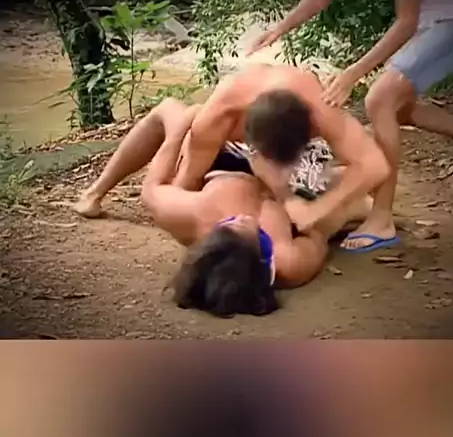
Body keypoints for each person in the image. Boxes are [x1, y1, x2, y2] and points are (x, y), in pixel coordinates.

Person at [73, 99, 371, 318]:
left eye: (229, 223)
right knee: (357, 188)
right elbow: (319, 235)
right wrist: (300, 206)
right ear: (260, 257)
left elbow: (152, 189)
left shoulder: (193, 215)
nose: (241, 217)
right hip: (288, 183)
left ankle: (94, 193)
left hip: (224, 164)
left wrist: (181, 128)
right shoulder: (290, 263)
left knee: (169, 109)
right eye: (243, 226)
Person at [248, 0, 453, 251]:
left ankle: (381, 219)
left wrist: (352, 74)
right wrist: (279, 29)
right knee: (399, 105)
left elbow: (406, 22)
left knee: (381, 100)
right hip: (434, 16)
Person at [162, 62, 389, 235]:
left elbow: (375, 165)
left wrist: (318, 210)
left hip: (300, 155)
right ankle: (332, 192)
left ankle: (352, 206)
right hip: (237, 153)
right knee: (250, 209)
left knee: (302, 221)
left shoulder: (318, 106)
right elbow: (185, 184)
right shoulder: (216, 119)